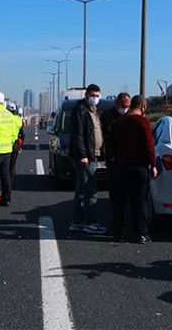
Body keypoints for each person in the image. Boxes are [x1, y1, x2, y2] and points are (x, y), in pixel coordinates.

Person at [110, 95, 157, 243]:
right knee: (140, 201)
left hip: (122, 166)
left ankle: (118, 233)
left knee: (121, 201)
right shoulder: (143, 122)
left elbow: (111, 143)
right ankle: (142, 234)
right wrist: (153, 165)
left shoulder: (119, 122)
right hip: (139, 167)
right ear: (143, 107)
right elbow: (149, 145)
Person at [68, 84, 106, 234]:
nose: (95, 98)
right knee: (90, 190)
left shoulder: (92, 110)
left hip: (92, 155)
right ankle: (89, 222)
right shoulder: (81, 110)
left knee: (82, 190)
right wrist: (83, 155)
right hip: (85, 157)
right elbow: (78, 134)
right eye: (92, 95)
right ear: (86, 95)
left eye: (97, 96)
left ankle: (77, 222)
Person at [100, 92, 131, 241]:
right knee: (115, 191)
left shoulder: (131, 116)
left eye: (128, 106)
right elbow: (104, 136)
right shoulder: (107, 116)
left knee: (127, 192)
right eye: (123, 106)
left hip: (128, 159)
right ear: (117, 104)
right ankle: (116, 221)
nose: (125, 109)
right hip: (113, 158)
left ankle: (124, 221)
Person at [7, 102, 25, 186]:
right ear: (15, 110)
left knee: (3, 164)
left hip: (5, 143)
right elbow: (22, 134)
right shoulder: (18, 119)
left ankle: (0, 183)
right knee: (12, 164)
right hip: (15, 144)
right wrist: (20, 146)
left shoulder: (4, 118)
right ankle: (11, 182)